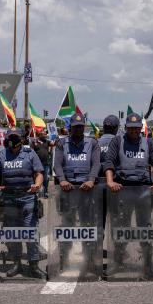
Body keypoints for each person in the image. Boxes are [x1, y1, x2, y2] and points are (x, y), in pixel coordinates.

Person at [103, 113, 153, 279]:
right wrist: (110, 181)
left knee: (145, 230)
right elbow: (109, 161)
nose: (134, 131)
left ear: (141, 128)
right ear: (126, 128)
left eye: (137, 128)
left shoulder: (149, 142)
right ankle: (118, 262)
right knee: (121, 228)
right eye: (131, 128)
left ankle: (148, 264)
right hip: (122, 191)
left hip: (143, 191)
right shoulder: (118, 141)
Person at [0, 127, 44, 278]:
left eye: (15, 137)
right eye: (10, 137)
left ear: (21, 139)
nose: (12, 141)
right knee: (12, 232)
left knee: (29, 231)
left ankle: (34, 264)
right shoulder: (1, 154)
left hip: (27, 197)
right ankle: (16, 263)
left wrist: (37, 185)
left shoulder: (29, 153)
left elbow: (39, 173)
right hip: (8, 198)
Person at [52, 113, 101, 273]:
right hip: (67, 191)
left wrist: (92, 179)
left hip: (87, 191)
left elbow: (96, 164)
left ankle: (88, 261)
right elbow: (57, 164)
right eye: (75, 127)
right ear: (70, 128)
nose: (78, 129)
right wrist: (62, 179)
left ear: (84, 127)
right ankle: (64, 259)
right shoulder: (61, 143)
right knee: (67, 226)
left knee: (87, 226)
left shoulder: (92, 143)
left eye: (81, 126)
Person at [32, 129, 53, 196]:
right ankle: (37, 191)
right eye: (44, 134)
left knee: (46, 178)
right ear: (40, 135)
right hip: (37, 164)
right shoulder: (35, 142)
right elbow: (31, 151)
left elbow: (53, 144)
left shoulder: (47, 141)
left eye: (45, 134)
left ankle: (46, 191)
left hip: (46, 163)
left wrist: (56, 139)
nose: (45, 135)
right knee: (37, 178)